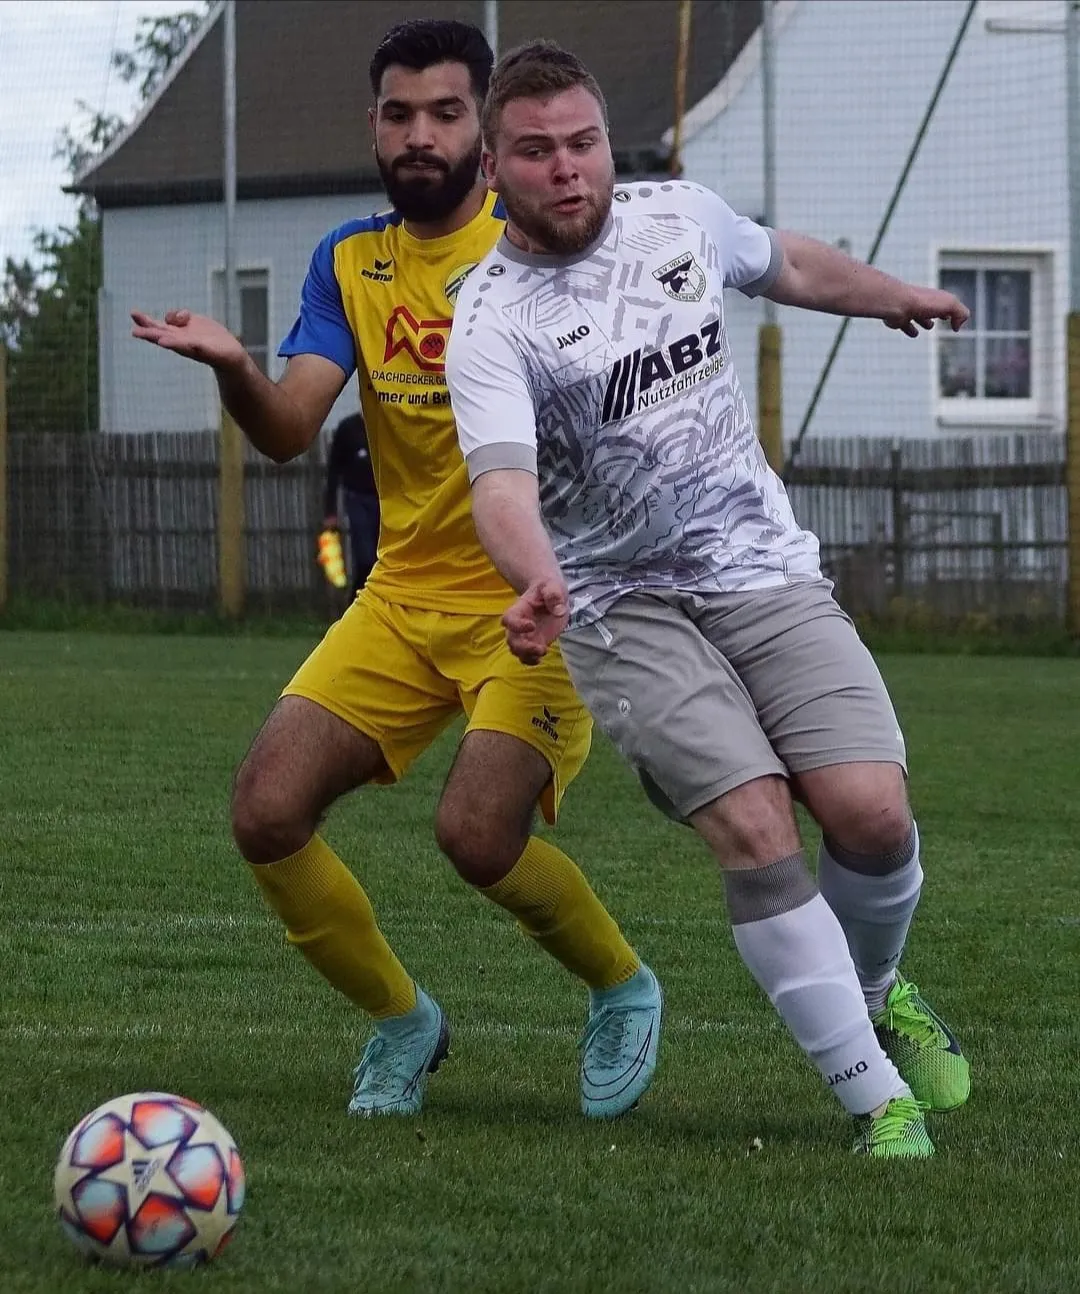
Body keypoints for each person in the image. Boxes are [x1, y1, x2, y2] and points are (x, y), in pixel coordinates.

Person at [446, 39, 971, 1157]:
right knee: (756, 821)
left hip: (761, 566)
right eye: (535, 151)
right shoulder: (490, 321)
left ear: (608, 144)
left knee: (874, 815)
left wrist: (893, 298)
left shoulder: (678, 216)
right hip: (617, 600)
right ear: (492, 168)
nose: (567, 167)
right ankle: (878, 1102)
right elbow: (500, 484)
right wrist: (537, 572)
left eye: (583, 142)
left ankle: (875, 993)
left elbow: (787, 264)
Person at [130, 19, 662, 1120]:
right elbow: (288, 428)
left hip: (540, 599)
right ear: (372, 126)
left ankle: (621, 984)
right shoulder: (350, 262)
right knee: (265, 811)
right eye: (400, 114)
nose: (421, 135)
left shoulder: (552, 248)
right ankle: (402, 1020)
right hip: (403, 598)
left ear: (487, 130)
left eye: (446, 114)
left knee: (476, 834)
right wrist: (233, 366)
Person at [323, 412, 380, 600]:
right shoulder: (348, 429)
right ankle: (355, 601)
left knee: (382, 558)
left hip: (383, 501)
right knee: (365, 558)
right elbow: (333, 471)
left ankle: (376, 603)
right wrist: (330, 512)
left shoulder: (383, 425)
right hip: (357, 499)